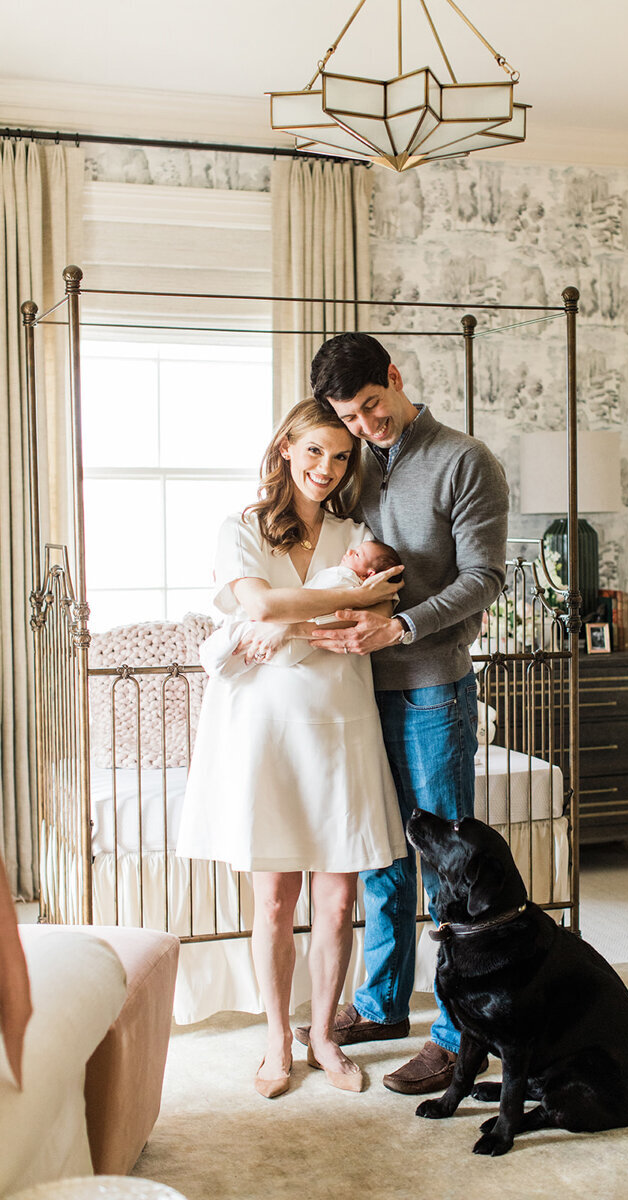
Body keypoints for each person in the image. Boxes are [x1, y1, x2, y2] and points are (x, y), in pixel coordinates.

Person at [293, 331, 509, 1096]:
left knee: (447, 862)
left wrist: (403, 626)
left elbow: (487, 577)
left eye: (371, 408)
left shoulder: (465, 460)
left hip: (430, 687)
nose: (362, 427)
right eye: (349, 418)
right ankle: (382, 1005)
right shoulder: (350, 466)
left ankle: (457, 1037)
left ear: (395, 376)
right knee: (383, 853)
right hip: (356, 691)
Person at [176, 399, 407, 1099]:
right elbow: (259, 607)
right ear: (285, 448)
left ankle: (324, 1037)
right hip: (266, 726)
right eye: (314, 452)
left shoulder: (356, 530)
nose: (327, 469)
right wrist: (316, 612)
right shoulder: (242, 528)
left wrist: (292, 617)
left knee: (338, 902)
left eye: (340, 458)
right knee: (275, 900)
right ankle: (276, 1039)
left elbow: (385, 605)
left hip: (339, 718)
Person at [198, 540, 402, 677]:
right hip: (294, 651)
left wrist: (289, 626)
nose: (349, 551)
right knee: (241, 650)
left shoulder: (343, 578)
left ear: (369, 574)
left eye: (357, 554)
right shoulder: (351, 586)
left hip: (292, 640)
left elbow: (313, 604)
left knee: (234, 639)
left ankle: (213, 656)